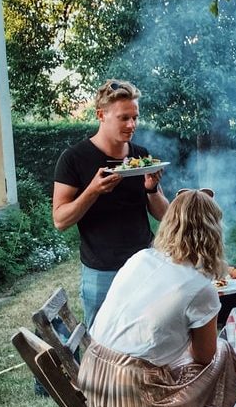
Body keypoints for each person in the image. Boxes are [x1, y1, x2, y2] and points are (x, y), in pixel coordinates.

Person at [77, 188, 236, 407]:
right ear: (212, 233)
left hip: (93, 390)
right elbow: (205, 358)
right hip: (132, 406)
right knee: (223, 357)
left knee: (207, 373)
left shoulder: (141, 258)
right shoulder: (200, 287)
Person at [52, 79, 168, 327]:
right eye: (123, 118)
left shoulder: (141, 155)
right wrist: (92, 191)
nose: (131, 125)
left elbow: (164, 215)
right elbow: (60, 220)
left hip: (143, 266)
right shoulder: (74, 158)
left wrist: (152, 189)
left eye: (135, 117)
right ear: (101, 115)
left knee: (147, 337)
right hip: (100, 271)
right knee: (100, 345)